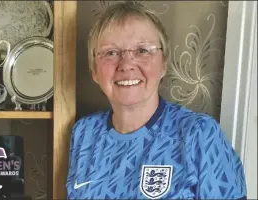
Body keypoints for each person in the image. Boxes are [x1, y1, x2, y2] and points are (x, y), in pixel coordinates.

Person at [66, 1, 247, 199]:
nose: (126, 65)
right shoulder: (84, 132)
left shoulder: (199, 134)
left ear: (163, 64)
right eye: (111, 53)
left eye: (142, 50)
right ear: (94, 70)